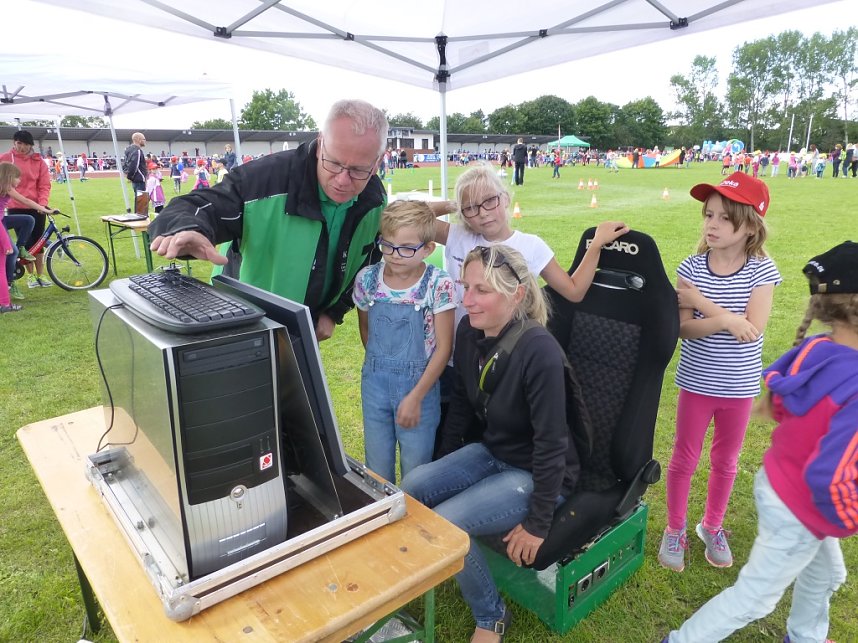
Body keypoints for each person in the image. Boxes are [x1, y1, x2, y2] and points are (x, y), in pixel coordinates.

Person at [664, 240, 858, 643]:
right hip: (803, 506)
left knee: (827, 574)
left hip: (778, 484)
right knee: (754, 599)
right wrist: (848, 516)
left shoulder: (819, 348)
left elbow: (784, 394)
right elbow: (829, 477)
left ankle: (805, 635)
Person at [400, 244, 582, 643]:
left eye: (481, 290)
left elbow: (552, 444)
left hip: (537, 473)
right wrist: (447, 468)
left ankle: (492, 615)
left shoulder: (540, 351)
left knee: (447, 524)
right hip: (494, 453)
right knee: (412, 487)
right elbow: (464, 405)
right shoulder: (470, 331)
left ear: (515, 294)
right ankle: (440, 561)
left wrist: (537, 524)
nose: (467, 301)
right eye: (466, 287)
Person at [148, 99, 389, 341]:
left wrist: (333, 312)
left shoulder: (374, 199)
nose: (343, 180)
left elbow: (366, 260)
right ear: (320, 144)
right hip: (240, 322)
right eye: (334, 163)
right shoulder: (263, 180)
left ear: (378, 162)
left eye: (359, 170)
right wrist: (188, 227)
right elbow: (194, 205)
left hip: (302, 330)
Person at [659, 172, 781, 572]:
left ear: (751, 226)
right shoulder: (690, 268)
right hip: (697, 384)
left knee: (726, 461)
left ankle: (712, 526)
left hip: (739, 388)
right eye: (708, 215)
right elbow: (683, 329)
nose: (711, 224)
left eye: (723, 218)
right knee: (684, 459)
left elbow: (754, 329)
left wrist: (703, 304)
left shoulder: (762, 270)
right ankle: (674, 528)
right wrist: (726, 318)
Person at [435, 163, 628, 337]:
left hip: (507, 353)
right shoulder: (457, 235)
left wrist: (595, 245)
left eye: (489, 201)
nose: (483, 213)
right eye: (471, 208)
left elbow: (574, 291)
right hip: (455, 353)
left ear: (506, 199)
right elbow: (404, 215)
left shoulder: (531, 246)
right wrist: (456, 204)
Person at [352, 200, 455, 482]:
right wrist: (381, 369)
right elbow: (366, 331)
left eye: (407, 248)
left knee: (416, 476)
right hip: (375, 388)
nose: (395, 255)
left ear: (428, 248)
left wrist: (416, 396)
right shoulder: (367, 280)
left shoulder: (439, 284)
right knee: (377, 473)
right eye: (387, 245)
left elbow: (444, 348)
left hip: (419, 389)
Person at [0, 131, 53, 288]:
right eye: (19, 143)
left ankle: (40, 275)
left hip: (37, 207)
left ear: (31, 145)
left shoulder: (39, 162)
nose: (22, 147)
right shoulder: (5, 159)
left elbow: (44, 185)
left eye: (26, 144)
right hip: (16, 208)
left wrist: (42, 204)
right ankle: (30, 277)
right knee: (26, 244)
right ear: (14, 143)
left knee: (39, 242)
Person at [123, 132, 148, 198]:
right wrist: (130, 176)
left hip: (135, 179)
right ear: (139, 139)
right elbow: (134, 165)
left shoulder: (128, 150)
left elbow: (125, 164)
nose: (145, 141)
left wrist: (128, 175)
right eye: (144, 139)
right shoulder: (137, 151)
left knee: (138, 199)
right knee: (141, 201)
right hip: (139, 179)